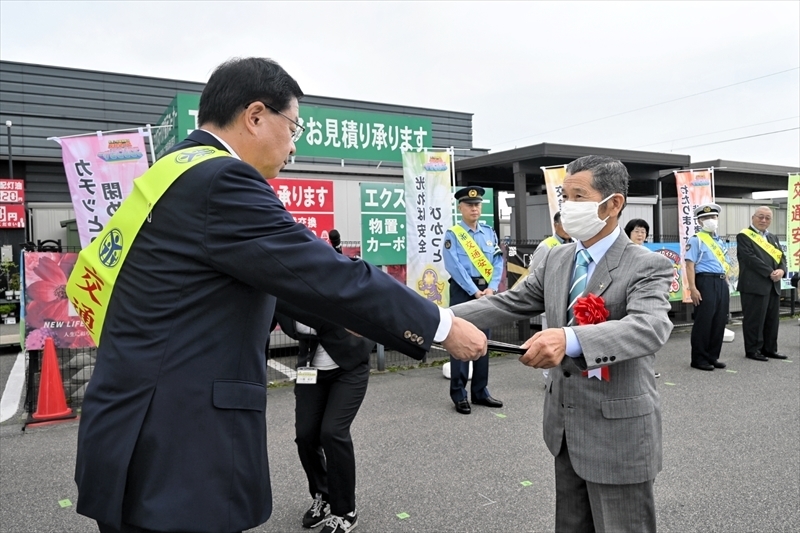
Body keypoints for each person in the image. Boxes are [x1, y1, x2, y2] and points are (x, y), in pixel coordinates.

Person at [72, 57, 486, 533]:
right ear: (255, 115)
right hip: (175, 449)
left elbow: (233, 283)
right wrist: (443, 326)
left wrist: (344, 316)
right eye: (294, 127)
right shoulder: (222, 180)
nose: (294, 144)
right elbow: (327, 273)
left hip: (132, 427)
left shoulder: (170, 172)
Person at [451, 155, 673, 533]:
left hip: (618, 434)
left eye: (578, 196)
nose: (568, 206)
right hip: (565, 429)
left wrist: (569, 337)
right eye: (564, 196)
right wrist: (435, 320)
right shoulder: (557, 257)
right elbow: (509, 302)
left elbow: (650, 326)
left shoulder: (646, 264)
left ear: (614, 203)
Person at [273, 235, 372, 533]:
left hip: (349, 367)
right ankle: (322, 494)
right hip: (310, 369)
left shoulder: (333, 283)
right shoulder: (279, 293)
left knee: (333, 432)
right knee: (305, 436)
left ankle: (346, 511)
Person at [442, 185, 505, 415]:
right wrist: (474, 291)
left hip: (485, 291)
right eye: (469, 205)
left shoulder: (489, 232)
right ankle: (459, 394)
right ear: (461, 207)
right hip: (463, 291)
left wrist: (491, 287)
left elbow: (498, 261)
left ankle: (481, 391)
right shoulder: (454, 234)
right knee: (459, 341)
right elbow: (453, 266)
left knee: (483, 341)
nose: (474, 208)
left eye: (477, 204)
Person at [736, 206, 788, 361]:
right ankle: (753, 350)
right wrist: (770, 272)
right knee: (754, 319)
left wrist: (781, 270)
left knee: (772, 319)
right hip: (754, 285)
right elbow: (749, 258)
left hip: (773, 285)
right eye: (760, 216)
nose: (763, 220)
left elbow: (781, 257)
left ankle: (770, 349)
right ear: (753, 217)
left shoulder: (773, 237)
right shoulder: (744, 236)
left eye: (767, 218)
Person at [685, 203, 731, 371]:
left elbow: (723, 263)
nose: (710, 220)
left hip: (720, 282)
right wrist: (693, 288)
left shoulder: (719, 241)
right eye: (705, 218)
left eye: (713, 217)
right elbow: (690, 265)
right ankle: (699, 358)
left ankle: (713, 356)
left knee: (719, 320)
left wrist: (726, 282)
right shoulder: (696, 239)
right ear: (699, 221)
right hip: (705, 281)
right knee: (704, 321)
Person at [528, 211, 571, 384]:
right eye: (564, 223)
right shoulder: (547, 245)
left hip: (568, 301)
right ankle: (549, 381)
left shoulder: (575, 244)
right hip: (551, 300)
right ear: (556, 225)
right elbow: (534, 274)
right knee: (549, 340)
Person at [623, 218, 661, 378]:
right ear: (628, 233)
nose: (640, 234)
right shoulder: (623, 252)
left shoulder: (648, 253)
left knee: (645, 335)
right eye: (636, 231)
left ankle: (646, 369)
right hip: (627, 298)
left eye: (643, 231)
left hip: (645, 300)